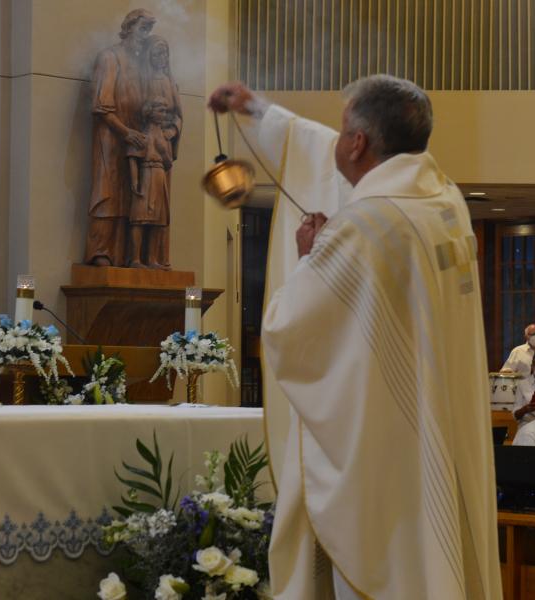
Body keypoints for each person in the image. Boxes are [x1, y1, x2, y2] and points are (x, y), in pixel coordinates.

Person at [211, 76, 501, 599]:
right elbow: (321, 148)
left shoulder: (367, 224)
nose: (338, 139)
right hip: (441, 419)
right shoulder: (442, 197)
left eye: (345, 129)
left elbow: (289, 327)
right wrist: (256, 110)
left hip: (388, 445)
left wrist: (310, 258)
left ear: (360, 142)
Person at [84, 9, 154, 267]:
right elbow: (102, 106)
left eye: (150, 30)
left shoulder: (143, 66)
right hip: (111, 137)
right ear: (129, 27)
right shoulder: (110, 57)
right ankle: (100, 250)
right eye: (143, 28)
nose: (146, 35)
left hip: (137, 140)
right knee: (108, 191)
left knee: (134, 195)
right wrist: (126, 132)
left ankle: (128, 253)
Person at [127, 98, 173, 269]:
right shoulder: (142, 133)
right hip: (146, 173)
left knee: (158, 220)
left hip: (159, 174)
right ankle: (135, 259)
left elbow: (168, 164)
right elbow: (132, 157)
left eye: (165, 111)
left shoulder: (164, 138)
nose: (163, 114)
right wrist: (135, 181)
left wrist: (163, 151)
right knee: (139, 217)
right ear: (150, 112)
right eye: (160, 110)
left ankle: (152, 259)